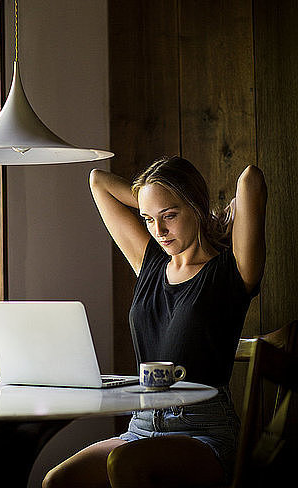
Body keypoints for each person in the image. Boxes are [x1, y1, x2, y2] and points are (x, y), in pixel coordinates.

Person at [42, 155, 267, 488]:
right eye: (148, 219)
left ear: (196, 206)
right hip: (141, 427)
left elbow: (250, 178)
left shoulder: (232, 273)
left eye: (170, 215)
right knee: (58, 481)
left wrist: (199, 207)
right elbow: (97, 181)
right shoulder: (149, 263)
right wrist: (153, 197)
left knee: (125, 464)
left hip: (204, 433)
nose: (159, 231)